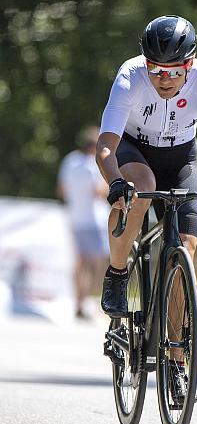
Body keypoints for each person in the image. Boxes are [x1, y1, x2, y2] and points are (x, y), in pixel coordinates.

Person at [96, 15, 197, 398]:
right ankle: (117, 274)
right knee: (142, 186)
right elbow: (105, 148)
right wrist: (116, 183)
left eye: (173, 72)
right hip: (136, 151)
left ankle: (176, 361)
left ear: (191, 65)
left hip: (182, 158)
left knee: (185, 251)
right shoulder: (130, 77)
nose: (163, 79)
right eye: (156, 70)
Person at [57, 126, 110, 319]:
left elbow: (62, 191)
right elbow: (100, 191)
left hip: (75, 217)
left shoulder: (69, 161)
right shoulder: (93, 164)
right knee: (98, 263)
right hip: (94, 220)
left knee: (79, 263)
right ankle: (89, 300)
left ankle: (78, 302)